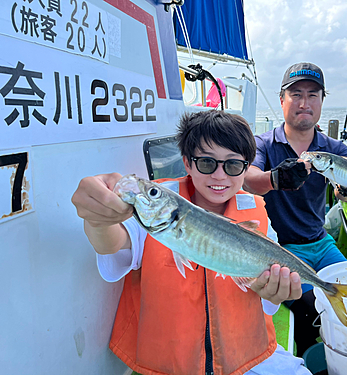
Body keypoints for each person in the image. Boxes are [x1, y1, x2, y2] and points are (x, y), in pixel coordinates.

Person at [71, 110, 312, 375]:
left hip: (247, 357)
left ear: (246, 168)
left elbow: (267, 300)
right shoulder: (159, 210)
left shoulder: (256, 214)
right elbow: (111, 243)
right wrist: (98, 221)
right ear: (187, 163)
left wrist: (273, 292)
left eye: (232, 166)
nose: (219, 176)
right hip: (172, 364)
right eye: (207, 163)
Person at [243, 62, 347, 356]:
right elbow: (248, 180)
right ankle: (313, 361)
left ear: (321, 101)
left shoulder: (334, 149)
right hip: (279, 249)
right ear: (282, 100)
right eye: (296, 95)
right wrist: (276, 178)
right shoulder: (264, 144)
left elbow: (340, 191)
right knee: (311, 310)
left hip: (321, 242)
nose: (304, 103)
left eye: (313, 95)